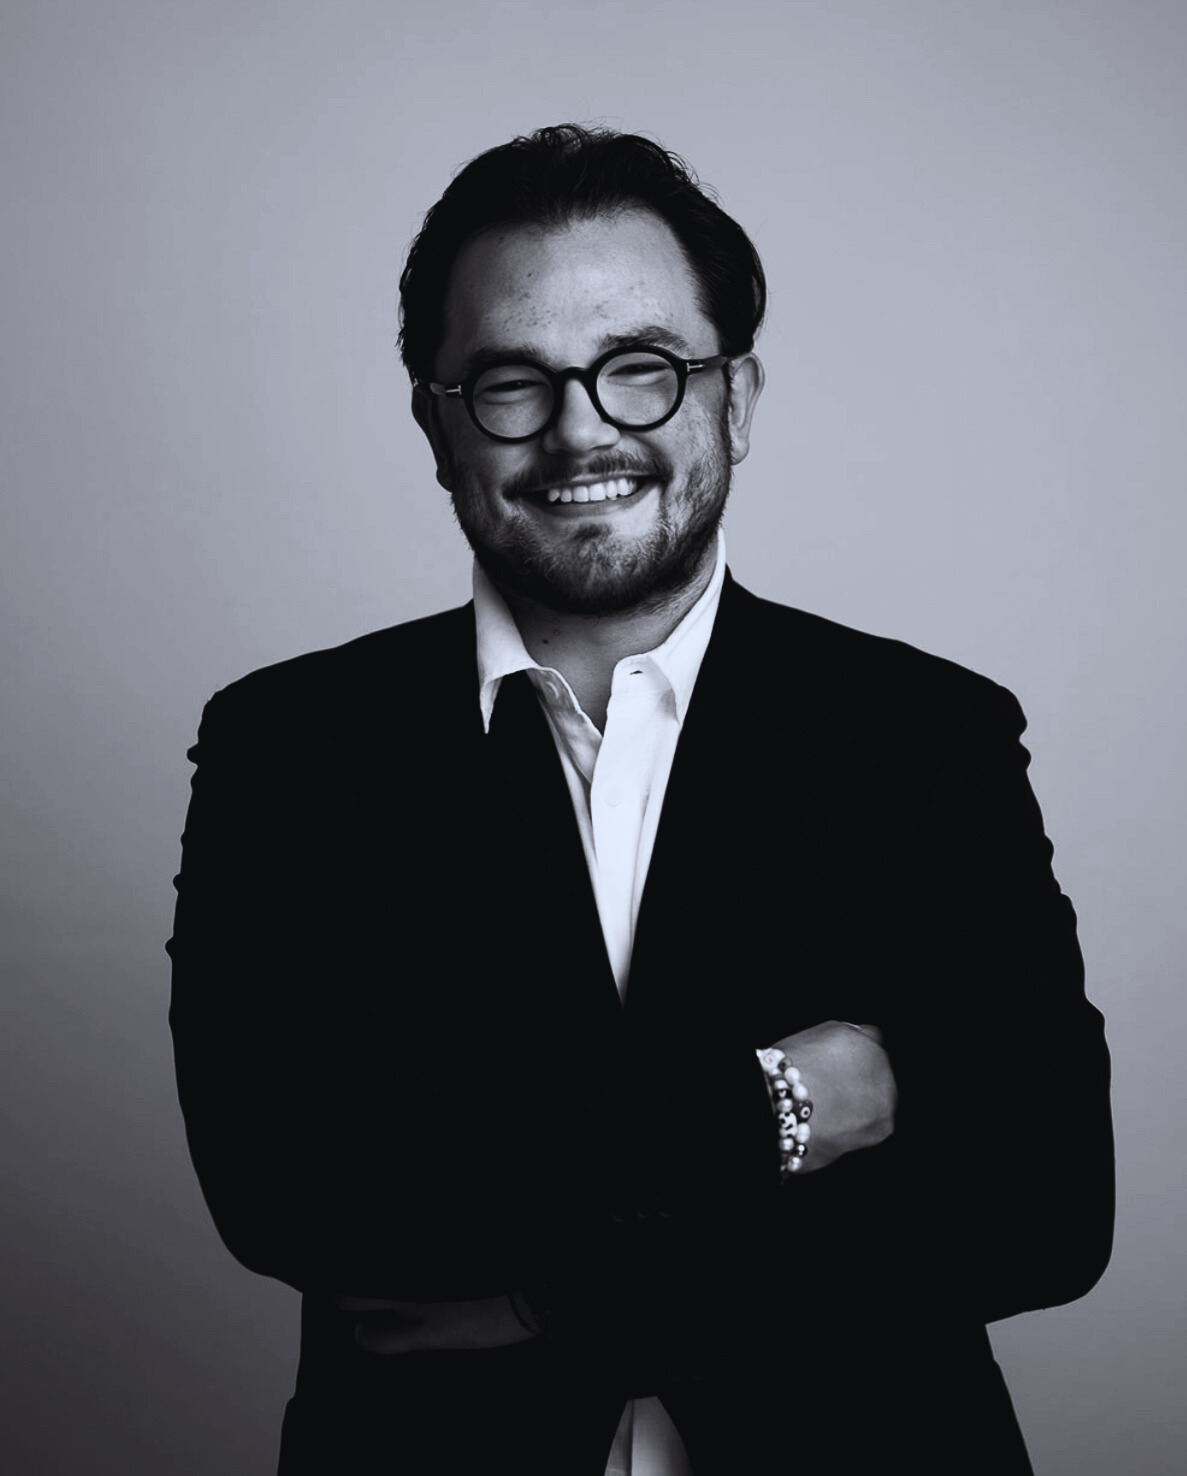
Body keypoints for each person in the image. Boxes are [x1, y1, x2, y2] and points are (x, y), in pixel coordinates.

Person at [167, 124, 1114, 1475]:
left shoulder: (929, 738)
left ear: (736, 399)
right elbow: (297, 1186)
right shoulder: (290, 747)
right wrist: (774, 1104)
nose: (581, 430)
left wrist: (549, 1301)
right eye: (512, 382)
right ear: (438, 426)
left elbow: (1041, 1207)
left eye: (642, 369)